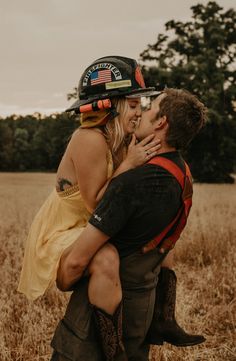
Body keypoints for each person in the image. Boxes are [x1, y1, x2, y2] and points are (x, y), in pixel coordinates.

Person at [50, 88, 207, 361]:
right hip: (141, 312)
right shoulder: (181, 174)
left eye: (149, 108)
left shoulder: (130, 184)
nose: (141, 113)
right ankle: (166, 318)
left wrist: (62, 280)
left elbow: (76, 262)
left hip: (96, 325)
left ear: (161, 122)